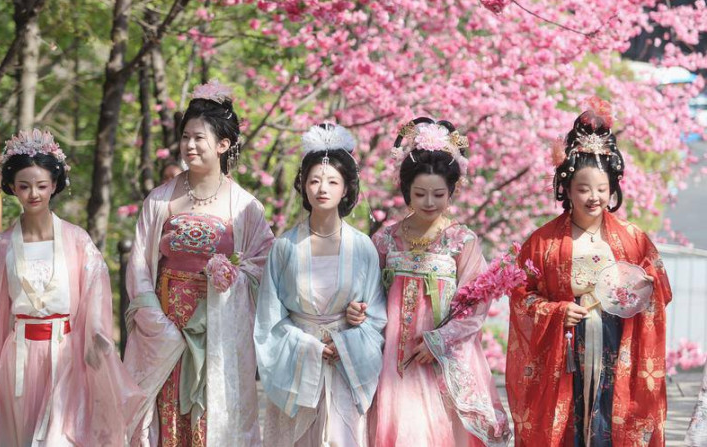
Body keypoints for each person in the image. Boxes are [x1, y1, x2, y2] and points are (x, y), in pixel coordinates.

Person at [506, 99, 672, 446]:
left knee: (609, 421)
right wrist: (556, 311)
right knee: (569, 424)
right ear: (566, 189)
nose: (593, 197)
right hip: (566, 345)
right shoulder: (542, 242)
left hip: (616, 341)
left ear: (613, 189)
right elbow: (521, 294)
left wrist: (645, 286)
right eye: (583, 189)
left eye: (601, 189)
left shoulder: (634, 239)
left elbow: (659, 287)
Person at [123, 80, 274, 446]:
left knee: (213, 416)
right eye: (185, 137)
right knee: (165, 415)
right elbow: (140, 265)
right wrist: (158, 324)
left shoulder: (246, 207)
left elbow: (264, 265)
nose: (189, 145)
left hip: (218, 331)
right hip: (165, 332)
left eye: (199, 138)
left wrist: (234, 277)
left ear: (223, 144)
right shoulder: (160, 200)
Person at [354, 117, 510, 446]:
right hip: (393, 356)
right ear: (406, 191)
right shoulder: (385, 240)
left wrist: (438, 342)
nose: (429, 202)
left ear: (452, 191)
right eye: (420, 194)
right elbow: (368, 293)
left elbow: (476, 304)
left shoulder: (462, 241)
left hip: (442, 357)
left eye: (438, 194)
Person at [0, 129, 143, 446]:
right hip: (18, 361)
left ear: (54, 184)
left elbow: (95, 294)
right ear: (12, 188)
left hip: (66, 355)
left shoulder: (77, 240)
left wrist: (97, 337)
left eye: (42, 185)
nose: (33, 193)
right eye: (24, 186)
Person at [254, 122, 387, 447]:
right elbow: (269, 320)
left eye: (332, 181)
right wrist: (309, 346)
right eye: (314, 180)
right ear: (303, 186)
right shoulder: (284, 247)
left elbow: (377, 317)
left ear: (346, 189)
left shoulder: (362, 247)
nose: (322, 188)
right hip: (297, 364)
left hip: (345, 362)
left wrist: (350, 334)